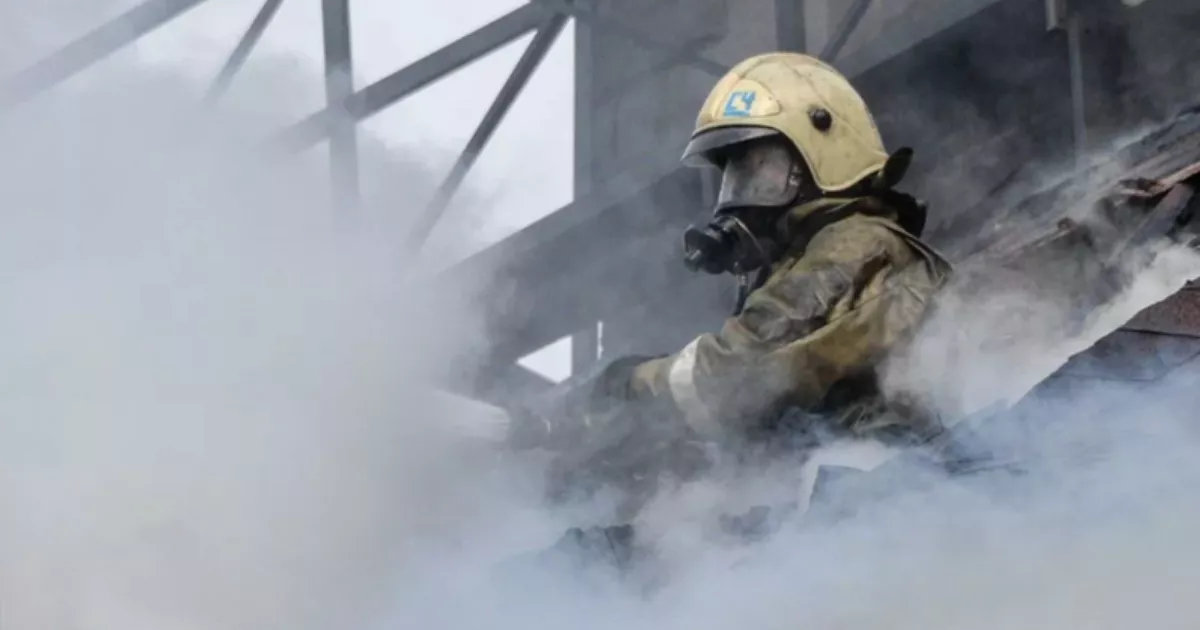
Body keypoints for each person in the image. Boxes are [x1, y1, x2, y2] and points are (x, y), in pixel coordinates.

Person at [505, 52, 954, 499]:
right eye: (735, 176)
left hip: (886, 490)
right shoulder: (800, 261)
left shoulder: (860, 243)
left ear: (822, 150)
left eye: (761, 169)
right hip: (835, 492)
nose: (742, 195)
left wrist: (622, 388)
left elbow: (740, 372)